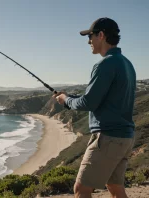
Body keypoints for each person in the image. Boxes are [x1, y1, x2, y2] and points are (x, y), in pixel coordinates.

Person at [53, 17, 136, 198]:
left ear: (101, 35)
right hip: (124, 137)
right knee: (115, 187)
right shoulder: (126, 63)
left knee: (81, 189)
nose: (88, 41)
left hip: (108, 138)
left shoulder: (105, 64)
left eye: (90, 36)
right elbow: (100, 99)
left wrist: (66, 100)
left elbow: (89, 103)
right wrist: (68, 97)